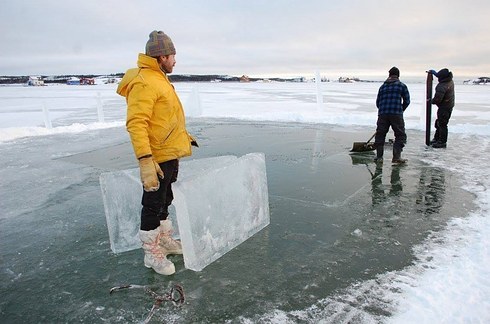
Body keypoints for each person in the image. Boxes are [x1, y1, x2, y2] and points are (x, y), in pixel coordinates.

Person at [116, 30, 198, 275]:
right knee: (152, 204)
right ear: (161, 56)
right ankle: (151, 253)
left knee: (165, 199)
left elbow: (164, 117)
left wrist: (183, 136)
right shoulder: (144, 81)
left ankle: (164, 240)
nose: (175, 60)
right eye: (172, 55)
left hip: (169, 151)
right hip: (156, 157)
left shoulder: (158, 77)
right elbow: (137, 122)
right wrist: (145, 160)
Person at [374, 67, 411, 164]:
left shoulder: (382, 87)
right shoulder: (401, 86)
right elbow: (407, 101)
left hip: (382, 114)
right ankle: (396, 157)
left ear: (389, 75)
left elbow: (378, 102)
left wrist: (383, 110)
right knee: (400, 135)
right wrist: (400, 109)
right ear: (398, 75)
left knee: (380, 135)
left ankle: (379, 158)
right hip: (396, 114)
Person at [429, 68, 455, 148]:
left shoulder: (442, 86)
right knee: (439, 123)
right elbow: (440, 75)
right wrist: (434, 73)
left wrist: (430, 101)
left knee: (442, 124)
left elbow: (438, 99)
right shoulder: (449, 80)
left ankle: (442, 142)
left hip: (445, 107)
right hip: (449, 105)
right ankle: (437, 138)